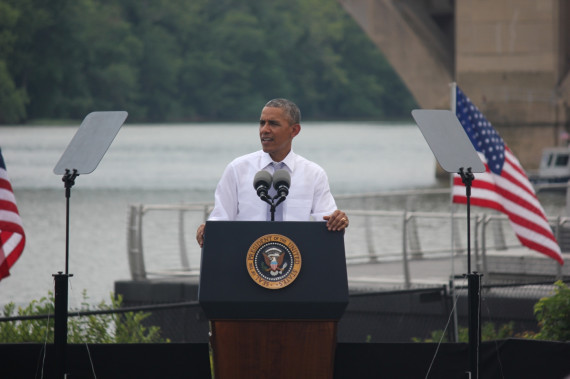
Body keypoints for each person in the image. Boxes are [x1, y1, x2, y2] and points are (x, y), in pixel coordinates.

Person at [196, 98, 348, 247]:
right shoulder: (237, 169)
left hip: (296, 263)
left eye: (273, 124)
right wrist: (208, 229)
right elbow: (221, 218)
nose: (265, 130)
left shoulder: (313, 174)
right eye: (262, 123)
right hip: (244, 260)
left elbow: (327, 221)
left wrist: (338, 221)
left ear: (294, 130)